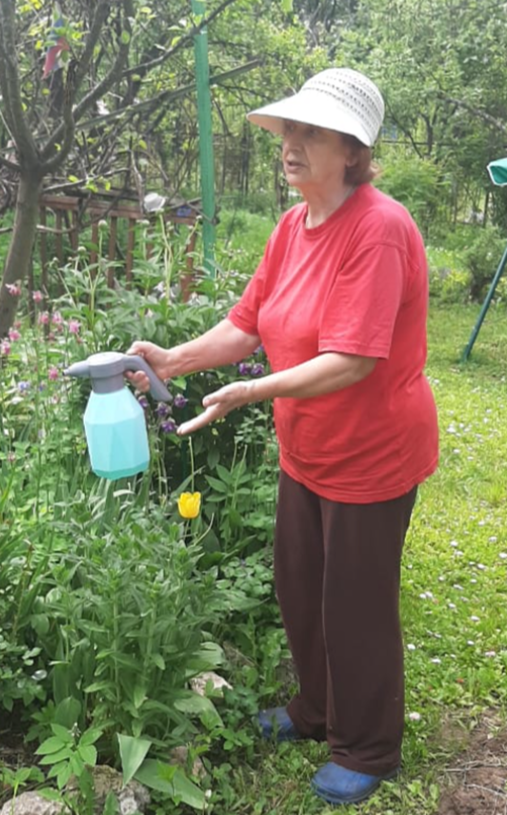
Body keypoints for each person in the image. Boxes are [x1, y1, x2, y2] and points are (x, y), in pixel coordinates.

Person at [127, 67, 439, 806]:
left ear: (353, 151)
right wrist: (173, 359)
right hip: (309, 450)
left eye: (311, 133)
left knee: (355, 603)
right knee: (299, 587)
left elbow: (353, 359)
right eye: (288, 129)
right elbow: (246, 325)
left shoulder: (379, 229)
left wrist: (251, 391)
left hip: (372, 453)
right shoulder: (292, 227)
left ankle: (367, 745)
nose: (290, 144)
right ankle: (316, 710)